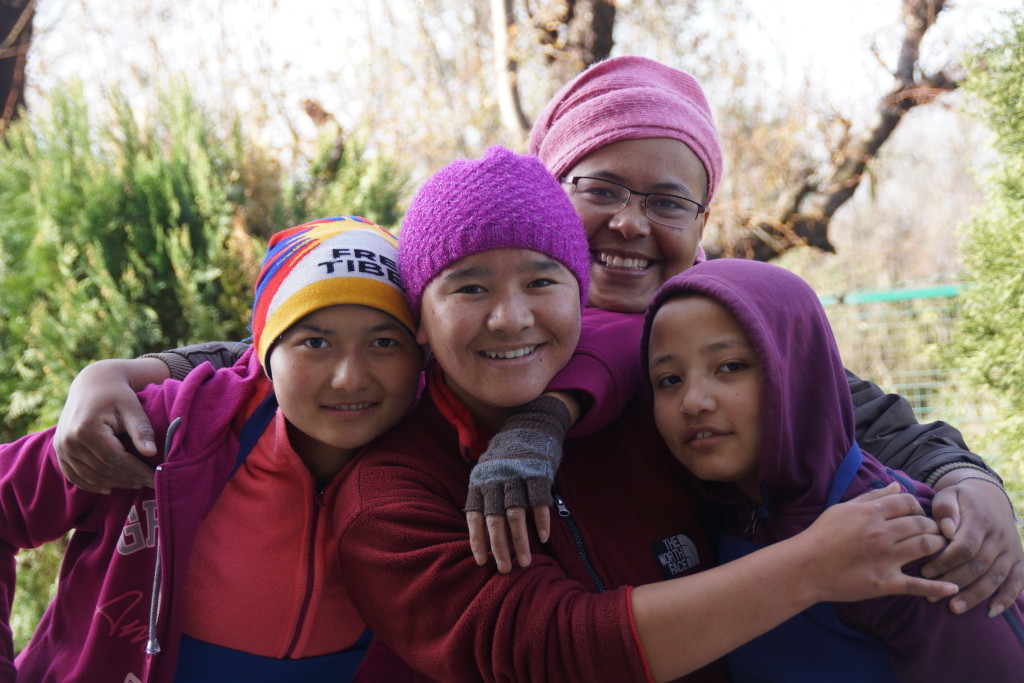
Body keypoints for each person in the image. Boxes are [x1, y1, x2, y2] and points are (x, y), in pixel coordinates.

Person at [52, 56, 1022, 613]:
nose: (631, 223)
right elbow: (311, 344)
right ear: (546, 200)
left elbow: (869, 414)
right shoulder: (465, 309)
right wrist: (125, 369)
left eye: (667, 200)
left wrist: (974, 486)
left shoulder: (718, 342)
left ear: (702, 226)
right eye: (599, 189)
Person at [329, 145, 956, 682]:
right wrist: (811, 568)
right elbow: (547, 652)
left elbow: (817, 400)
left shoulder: (659, 405)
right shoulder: (387, 494)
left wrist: (961, 476)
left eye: (543, 282)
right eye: (470, 287)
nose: (511, 318)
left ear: (583, 291)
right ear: (417, 317)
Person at [0, 217, 423, 682]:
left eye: (384, 342)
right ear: (264, 353)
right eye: (315, 342)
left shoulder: (443, 462)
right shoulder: (163, 430)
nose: (350, 377)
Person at [642, 258, 1024, 681]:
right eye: (668, 379)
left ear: (798, 371)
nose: (693, 401)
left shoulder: (902, 533)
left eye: (731, 366)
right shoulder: (721, 510)